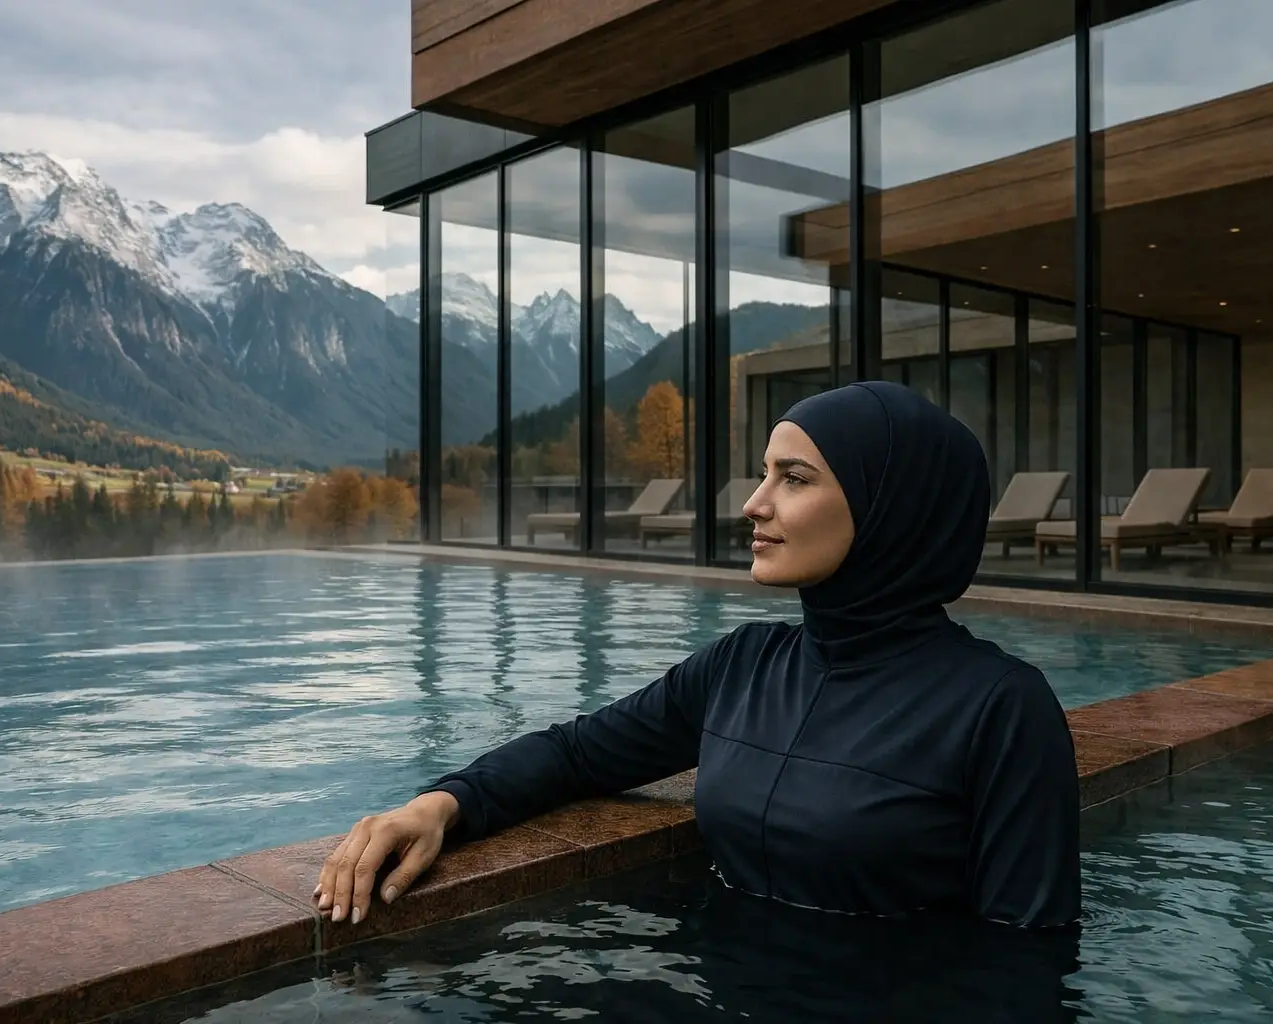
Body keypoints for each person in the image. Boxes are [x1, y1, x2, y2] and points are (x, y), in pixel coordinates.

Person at [314, 380, 1081, 931]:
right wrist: (439, 805)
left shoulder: (1001, 708)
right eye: (764, 473)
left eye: (795, 478)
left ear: (889, 508)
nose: (755, 502)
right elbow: (579, 753)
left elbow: (1027, 959)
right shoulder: (745, 667)